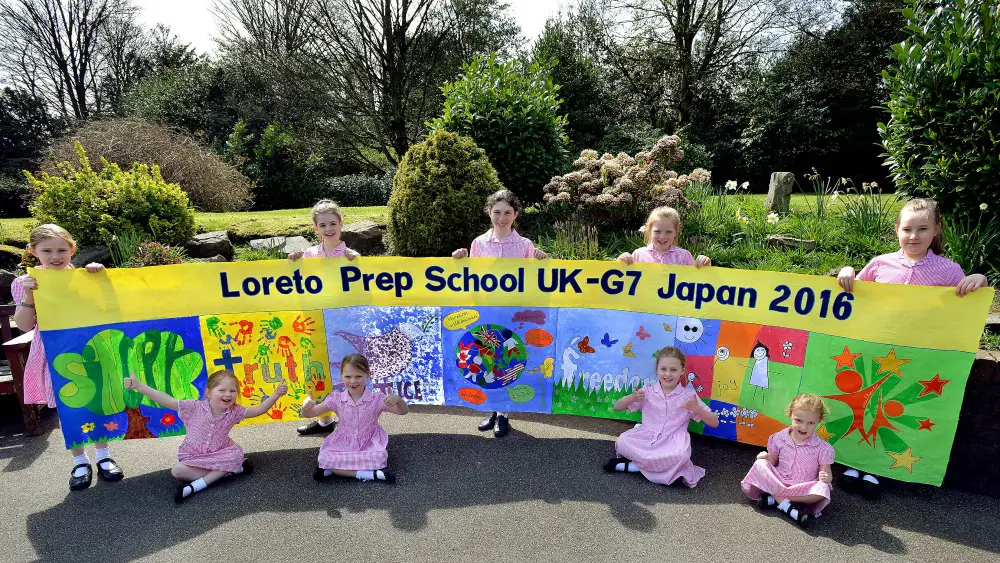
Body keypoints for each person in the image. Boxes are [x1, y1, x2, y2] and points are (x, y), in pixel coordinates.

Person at [836, 197, 987, 496]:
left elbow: (966, 299)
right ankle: (857, 461)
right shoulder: (881, 263)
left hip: (917, 358)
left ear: (936, 231)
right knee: (866, 404)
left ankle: (878, 466)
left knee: (896, 409)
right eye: (907, 229)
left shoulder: (947, 270)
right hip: (877, 354)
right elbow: (855, 292)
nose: (914, 236)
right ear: (897, 231)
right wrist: (847, 270)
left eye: (922, 229)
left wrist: (979, 280)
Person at [11, 224, 119, 491]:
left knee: (97, 400)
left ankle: (103, 456)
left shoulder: (85, 276)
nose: (55, 256)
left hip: (90, 350)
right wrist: (28, 295)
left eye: (61, 249)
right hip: (54, 353)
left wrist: (99, 278)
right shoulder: (25, 282)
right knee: (68, 403)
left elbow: (110, 306)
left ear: (72, 250)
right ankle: (80, 461)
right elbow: (24, 325)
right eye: (47, 250)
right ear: (33, 251)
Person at [452, 189, 547, 437]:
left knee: (507, 360)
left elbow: (534, 278)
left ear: (515, 214)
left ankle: (503, 413)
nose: (501, 218)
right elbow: (470, 277)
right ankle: (492, 409)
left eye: (507, 212)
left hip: (512, 315)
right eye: (497, 212)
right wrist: (459, 259)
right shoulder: (479, 243)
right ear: (489, 213)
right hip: (487, 312)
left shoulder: (525, 245)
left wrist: (542, 260)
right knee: (487, 360)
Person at [124, 369, 287, 503]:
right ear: (208, 392)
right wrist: (140, 386)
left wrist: (276, 395)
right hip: (193, 455)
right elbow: (167, 400)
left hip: (222, 453)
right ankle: (231, 470)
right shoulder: (194, 407)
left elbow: (258, 410)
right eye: (221, 390)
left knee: (236, 454)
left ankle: (197, 486)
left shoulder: (235, 411)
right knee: (177, 471)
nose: (228, 394)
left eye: (232, 390)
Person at [288, 199, 359, 436]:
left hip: (342, 321)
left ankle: (353, 418)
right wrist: (293, 260)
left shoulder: (349, 255)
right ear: (315, 228)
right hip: (315, 322)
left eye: (332, 223)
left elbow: (363, 280)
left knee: (344, 369)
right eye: (323, 225)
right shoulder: (309, 254)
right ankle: (325, 419)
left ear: (341, 224)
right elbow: (293, 277)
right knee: (318, 370)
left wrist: (356, 261)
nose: (328, 229)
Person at [604, 346, 719, 487]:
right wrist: (630, 398)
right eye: (663, 369)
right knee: (623, 441)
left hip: (671, 442)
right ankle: (664, 473)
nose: (668, 374)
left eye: (673, 370)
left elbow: (714, 422)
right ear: (657, 370)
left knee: (680, 455)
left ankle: (633, 467)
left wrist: (697, 409)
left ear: (682, 371)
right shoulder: (647, 391)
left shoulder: (688, 397)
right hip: (647, 436)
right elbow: (617, 407)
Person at [302, 354, 408, 483]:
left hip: (369, 442)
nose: (353, 381)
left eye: (358, 376)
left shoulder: (377, 399)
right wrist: (306, 405)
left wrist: (398, 400)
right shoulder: (336, 399)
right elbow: (309, 413)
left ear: (368, 375)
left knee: (380, 456)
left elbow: (402, 411)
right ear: (341, 375)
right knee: (324, 457)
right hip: (343, 442)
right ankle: (372, 474)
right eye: (348, 376)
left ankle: (331, 470)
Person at [741, 394, 834, 528]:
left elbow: (826, 474)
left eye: (811, 423)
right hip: (779, 480)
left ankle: (777, 500)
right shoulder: (778, 438)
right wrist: (765, 457)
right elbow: (772, 461)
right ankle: (788, 506)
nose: (804, 427)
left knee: (823, 489)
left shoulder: (823, 448)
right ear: (790, 415)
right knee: (760, 464)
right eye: (798, 420)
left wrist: (826, 477)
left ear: (818, 421)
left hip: (803, 487)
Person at [616, 206, 711, 267]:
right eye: (657, 231)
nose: (662, 236)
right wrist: (621, 261)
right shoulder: (638, 255)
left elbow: (697, 280)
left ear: (676, 232)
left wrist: (705, 263)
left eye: (668, 232)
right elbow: (623, 278)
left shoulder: (684, 256)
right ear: (649, 231)